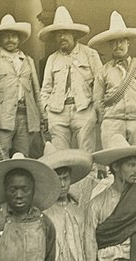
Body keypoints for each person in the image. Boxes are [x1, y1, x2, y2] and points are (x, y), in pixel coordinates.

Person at [38, 6, 102, 153]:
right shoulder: (52, 59)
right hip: (57, 112)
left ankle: (88, 177)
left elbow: (100, 85)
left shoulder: (90, 54)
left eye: (65, 33)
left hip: (84, 109)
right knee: (60, 157)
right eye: (58, 34)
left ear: (73, 34)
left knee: (87, 154)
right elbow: (45, 89)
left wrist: (95, 111)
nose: (62, 37)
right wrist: (47, 112)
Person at [0, 15, 44, 162]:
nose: (10, 40)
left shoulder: (28, 60)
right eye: (6, 36)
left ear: (19, 39)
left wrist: (43, 116)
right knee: (0, 158)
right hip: (2, 118)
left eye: (14, 36)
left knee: (23, 159)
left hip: (26, 117)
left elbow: (36, 91)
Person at [90, 11, 136, 148]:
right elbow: (98, 101)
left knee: (135, 165)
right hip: (112, 123)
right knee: (113, 164)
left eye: (121, 41)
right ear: (109, 45)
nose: (118, 45)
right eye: (113, 42)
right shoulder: (103, 72)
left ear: (128, 43)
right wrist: (108, 119)